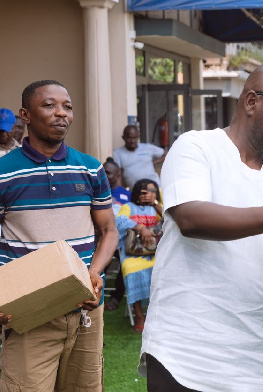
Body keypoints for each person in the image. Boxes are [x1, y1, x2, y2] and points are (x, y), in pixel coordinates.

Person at [140, 63, 263, 392]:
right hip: (185, 357)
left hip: (260, 364)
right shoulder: (196, 148)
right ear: (251, 102)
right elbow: (190, 218)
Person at [0, 80, 118, 391]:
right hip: (29, 312)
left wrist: (93, 273)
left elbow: (108, 231)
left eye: (67, 107)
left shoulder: (90, 169)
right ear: (25, 114)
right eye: (49, 105)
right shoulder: (4, 173)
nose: (61, 113)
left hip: (85, 307)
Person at [115, 179, 162, 332]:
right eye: (144, 192)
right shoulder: (129, 207)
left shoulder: (156, 208)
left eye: (152, 192)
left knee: (164, 269)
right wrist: (141, 227)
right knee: (132, 270)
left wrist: (154, 203)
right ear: (137, 193)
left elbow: (170, 217)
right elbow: (120, 220)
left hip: (155, 252)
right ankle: (139, 315)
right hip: (133, 253)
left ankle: (158, 313)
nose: (148, 194)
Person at [103, 157, 130, 311]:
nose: (105, 175)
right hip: (103, 237)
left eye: (108, 173)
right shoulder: (99, 192)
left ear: (117, 174)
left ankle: (115, 298)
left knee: (125, 265)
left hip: (123, 239)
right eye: (103, 172)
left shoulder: (127, 195)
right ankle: (92, 296)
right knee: (98, 266)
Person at [113, 125, 165, 189]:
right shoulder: (118, 152)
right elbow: (118, 175)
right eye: (129, 138)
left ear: (138, 137)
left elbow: (167, 154)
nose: (132, 141)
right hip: (135, 191)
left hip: (154, 187)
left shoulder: (148, 147)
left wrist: (155, 162)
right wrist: (120, 191)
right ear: (123, 138)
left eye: (135, 138)